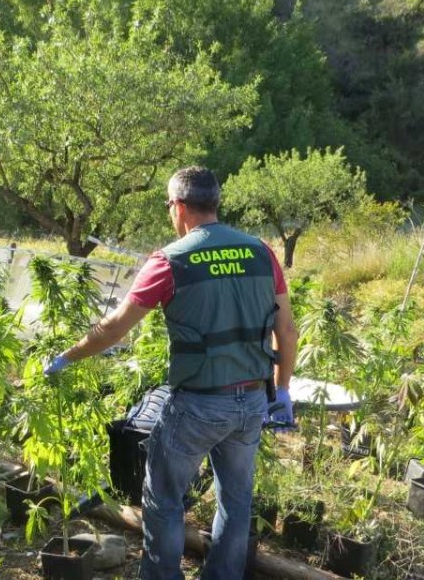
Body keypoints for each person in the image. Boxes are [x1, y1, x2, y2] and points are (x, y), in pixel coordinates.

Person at [43, 166, 298, 580]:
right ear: (214, 203)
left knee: (163, 498)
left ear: (178, 207)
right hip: (253, 401)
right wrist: (282, 391)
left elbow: (114, 328)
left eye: (168, 206)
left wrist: (68, 356)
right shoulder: (261, 252)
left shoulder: (169, 261)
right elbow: (287, 329)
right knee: (236, 501)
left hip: (198, 404)